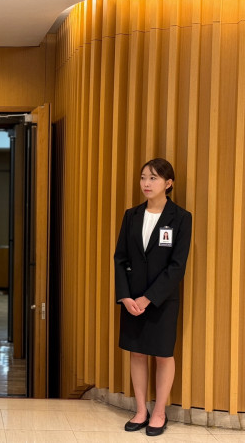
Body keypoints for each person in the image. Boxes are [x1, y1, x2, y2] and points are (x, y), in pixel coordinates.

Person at [114, 158, 192, 437]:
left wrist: (148, 298)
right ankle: (140, 410)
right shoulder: (131, 215)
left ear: (168, 183)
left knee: (162, 355)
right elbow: (120, 258)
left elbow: (177, 266)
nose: (146, 183)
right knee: (136, 352)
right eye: (143, 177)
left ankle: (159, 412)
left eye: (153, 178)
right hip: (132, 300)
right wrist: (125, 297)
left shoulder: (181, 218)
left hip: (162, 299)